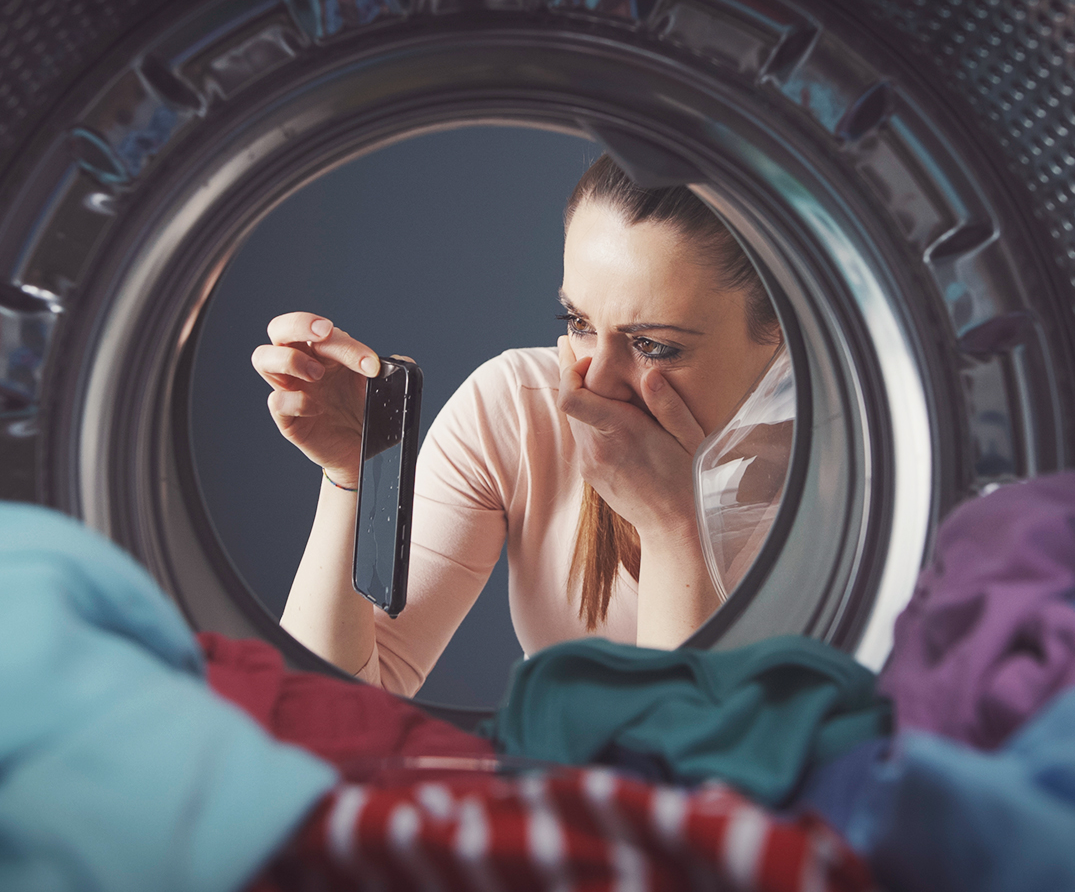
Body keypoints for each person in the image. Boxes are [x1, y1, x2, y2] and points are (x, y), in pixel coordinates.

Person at [252, 154, 790, 696]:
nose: (596, 382)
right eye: (578, 323)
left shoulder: (864, 478)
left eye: (654, 346)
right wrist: (355, 477)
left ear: (786, 331)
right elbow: (323, 719)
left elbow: (695, 769)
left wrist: (676, 528)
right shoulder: (518, 411)